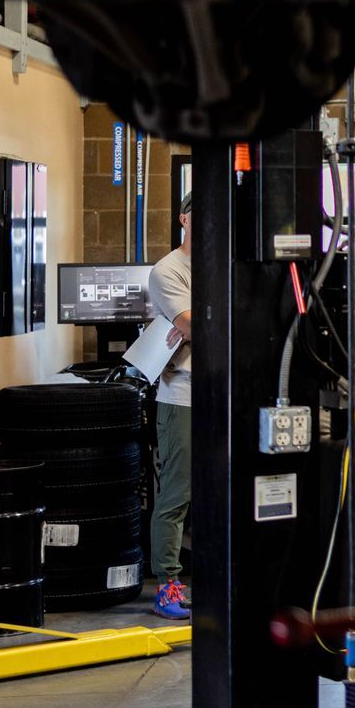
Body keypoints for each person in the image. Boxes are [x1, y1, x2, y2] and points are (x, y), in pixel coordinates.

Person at [145, 192, 194, 620]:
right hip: (184, 396)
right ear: (183, 218)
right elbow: (190, 323)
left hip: (228, 393)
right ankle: (167, 584)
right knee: (178, 495)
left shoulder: (225, 264)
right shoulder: (168, 271)